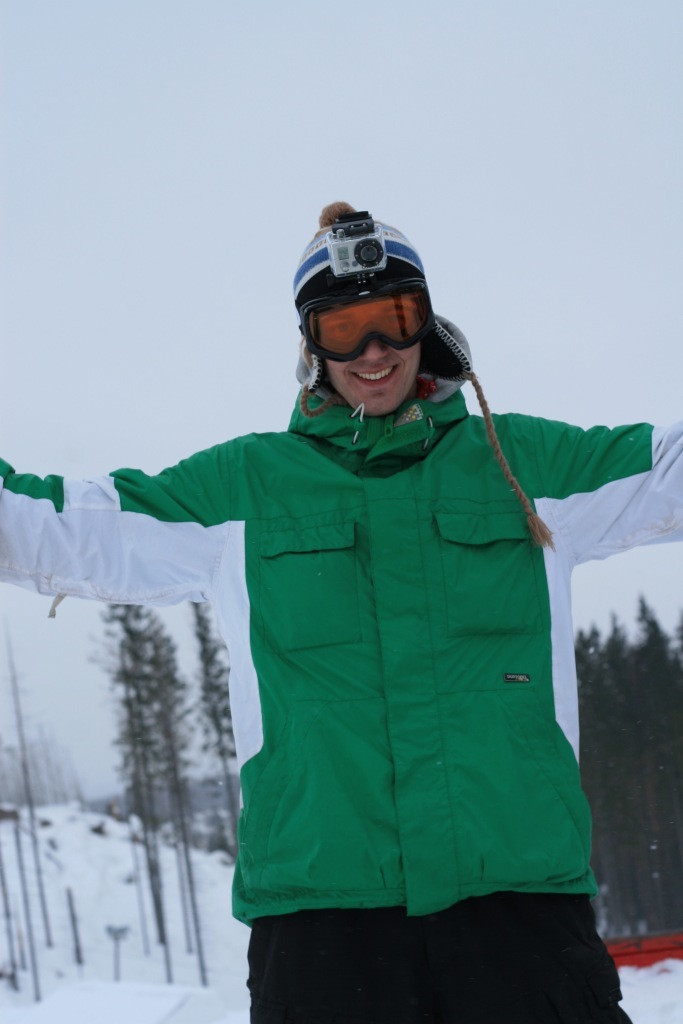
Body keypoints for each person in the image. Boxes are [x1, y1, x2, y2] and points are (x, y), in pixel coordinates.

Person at [3, 201, 681, 1023]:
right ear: (310, 343)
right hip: (322, 926)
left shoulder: (522, 464)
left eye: (394, 318)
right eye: (343, 327)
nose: (372, 351)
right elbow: (60, 528)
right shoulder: (246, 487)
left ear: (427, 324)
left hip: (518, 908)